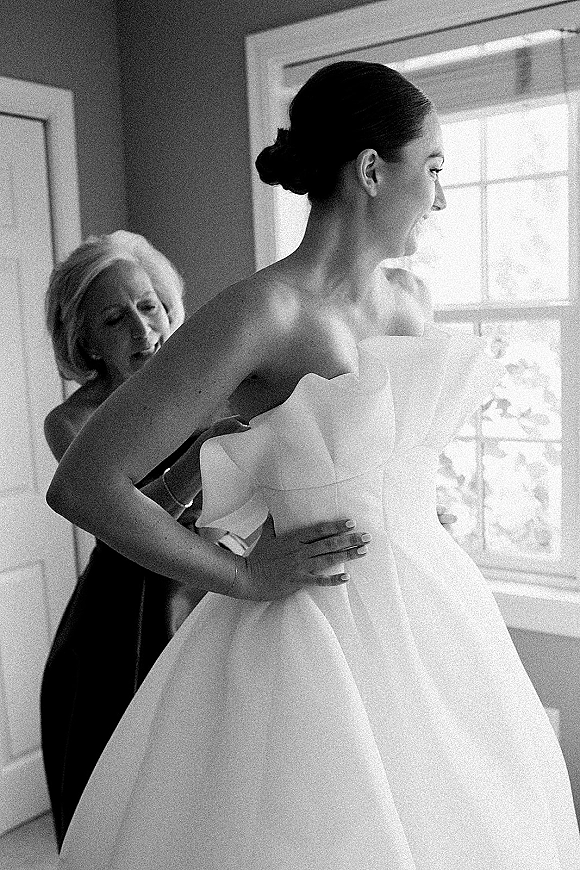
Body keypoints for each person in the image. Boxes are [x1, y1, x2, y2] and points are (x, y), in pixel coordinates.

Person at [48, 62, 580, 869]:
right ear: (372, 170)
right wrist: (243, 577)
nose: (439, 199)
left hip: (432, 614)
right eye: (431, 169)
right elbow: (84, 483)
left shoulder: (411, 300)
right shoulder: (261, 311)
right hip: (307, 633)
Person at [41, 230, 247, 849]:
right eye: (113, 317)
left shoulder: (207, 382)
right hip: (125, 617)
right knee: (124, 791)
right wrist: (203, 451)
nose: (141, 328)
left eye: (148, 305)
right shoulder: (72, 422)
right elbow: (133, 516)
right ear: (86, 342)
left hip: (216, 586)